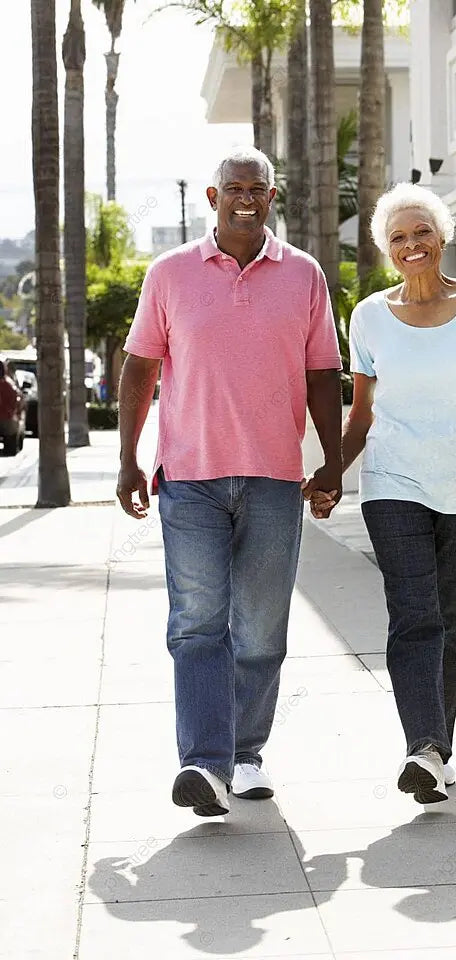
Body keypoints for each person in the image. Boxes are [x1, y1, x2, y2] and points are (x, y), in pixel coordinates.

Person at [117, 147, 343, 816]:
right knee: (196, 624)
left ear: (273, 197)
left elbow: (324, 375)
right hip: (190, 480)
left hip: (275, 478)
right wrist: (130, 457)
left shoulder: (303, 276)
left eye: (257, 188)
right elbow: (139, 369)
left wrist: (331, 459)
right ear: (212, 200)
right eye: (232, 188)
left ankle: (246, 754)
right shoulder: (169, 274)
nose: (245, 197)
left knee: (263, 629)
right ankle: (205, 763)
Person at [310, 183, 456, 805]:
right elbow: (362, 414)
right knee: (414, 613)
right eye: (397, 237)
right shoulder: (370, 316)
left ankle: (437, 750)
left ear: (443, 235)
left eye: (420, 232)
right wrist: (332, 475)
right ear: (386, 249)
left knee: (449, 622)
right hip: (393, 483)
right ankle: (421, 747)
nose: (411, 245)